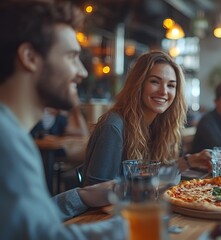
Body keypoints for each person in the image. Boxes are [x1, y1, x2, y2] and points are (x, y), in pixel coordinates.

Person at [0, 1, 126, 239]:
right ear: (29, 57)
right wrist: (136, 227)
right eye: (72, 56)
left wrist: (82, 196)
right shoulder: (8, 143)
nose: (83, 71)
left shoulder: (12, 134)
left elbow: (32, 223)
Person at [82, 51, 211, 187]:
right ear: (138, 84)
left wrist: (189, 161)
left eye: (171, 85)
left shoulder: (161, 125)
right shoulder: (113, 126)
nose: (164, 91)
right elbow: (94, 190)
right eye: (155, 81)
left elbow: (153, 177)